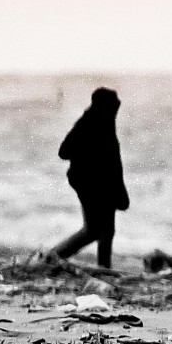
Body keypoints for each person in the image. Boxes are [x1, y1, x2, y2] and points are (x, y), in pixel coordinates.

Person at [48, 87, 129, 270]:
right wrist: (88, 160)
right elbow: (64, 151)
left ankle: (55, 257)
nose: (118, 105)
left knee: (97, 231)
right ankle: (55, 257)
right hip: (91, 183)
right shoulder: (90, 123)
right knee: (99, 231)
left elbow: (113, 163)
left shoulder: (103, 122)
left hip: (100, 182)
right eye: (114, 102)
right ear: (105, 105)